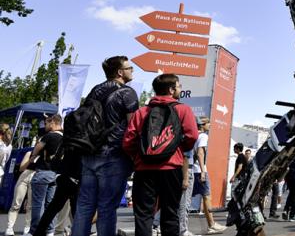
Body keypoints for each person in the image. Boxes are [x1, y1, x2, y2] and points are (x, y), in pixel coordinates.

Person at [122, 74, 199, 236]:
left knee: (143, 215)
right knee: (170, 213)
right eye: (178, 86)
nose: (180, 89)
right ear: (171, 90)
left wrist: (139, 157)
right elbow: (192, 136)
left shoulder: (142, 112)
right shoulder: (183, 110)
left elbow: (128, 142)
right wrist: (176, 149)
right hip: (171, 168)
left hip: (144, 169)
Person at [72, 55, 139, 236]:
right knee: (107, 207)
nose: (132, 70)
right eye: (129, 68)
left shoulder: (95, 90)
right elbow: (133, 128)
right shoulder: (127, 92)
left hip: (89, 153)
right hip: (114, 156)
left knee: (84, 205)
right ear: (119, 72)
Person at [25, 114, 63, 236]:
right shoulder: (65, 137)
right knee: (51, 205)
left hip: (43, 172)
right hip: (56, 174)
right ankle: (50, 231)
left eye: (47, 123)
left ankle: (35, 231)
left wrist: (32, 158)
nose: (45, 125)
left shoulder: (49, 136)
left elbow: (38, 147)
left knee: (37, 204)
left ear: (53, 123)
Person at [192, 117, 226, 234]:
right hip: (199, 171)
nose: (210, 126)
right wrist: (202, 171)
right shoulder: (203, 136)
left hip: (192, 171)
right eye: (208, 124)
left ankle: (157, 223)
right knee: (207, 197)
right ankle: (211, 225)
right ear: (202, 125)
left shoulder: (193, 135)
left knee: (180, 199)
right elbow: (200, 153)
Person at [5, 151, 35, 236]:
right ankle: (9, 227)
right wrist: (30, 160)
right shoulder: (30, 153)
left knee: (31, 206)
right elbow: (21, 168)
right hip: (25, 176)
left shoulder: (45, 153)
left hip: (37, 177)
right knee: (16, 203)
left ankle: (27, 228)